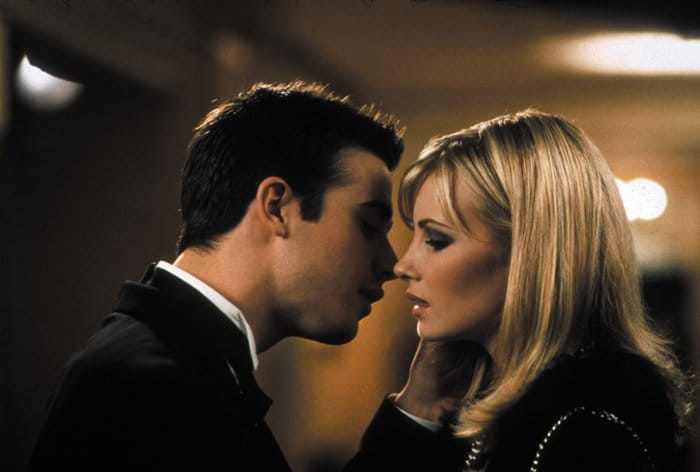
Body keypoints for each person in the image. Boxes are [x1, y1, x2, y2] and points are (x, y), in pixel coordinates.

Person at [29, 80, 463, 471]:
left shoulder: (178, 365)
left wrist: (419, 405)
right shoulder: (149, 388)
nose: (391, 264)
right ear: (277, 206)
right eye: (368, 226)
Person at [353, 109, 694, 471]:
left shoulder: (587, 435)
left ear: (529, 254)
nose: (403, 266)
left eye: (436, 240)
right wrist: (417, 408)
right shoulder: (476, 406)